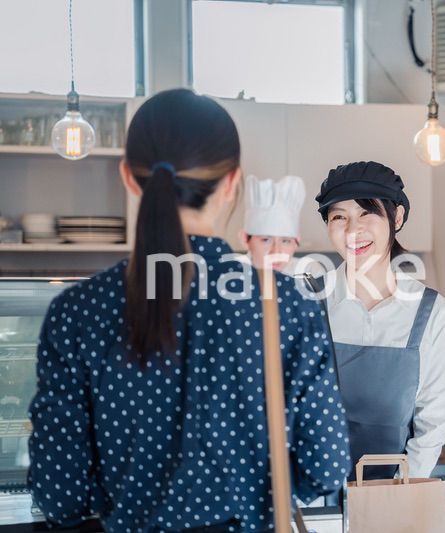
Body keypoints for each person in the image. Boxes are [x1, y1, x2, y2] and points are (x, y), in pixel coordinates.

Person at [27, 88, 350, 532]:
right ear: (233, 182)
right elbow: (327, 467)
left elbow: (58, 493)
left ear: (127, 176)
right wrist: (255, 494)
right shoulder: (287, 305)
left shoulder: (77, 311)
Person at [314, 160, 445, 480]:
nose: (353, 230)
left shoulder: (430, 311)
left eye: (367, 212)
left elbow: (432, 427)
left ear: (398, 216)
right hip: (313, 495)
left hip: (394, 491)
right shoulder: (308, 302)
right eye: (339, 216)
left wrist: (394, 494)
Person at [240, 174, 306, 274]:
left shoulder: (310, 274)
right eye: (266, 240)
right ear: (244, 239)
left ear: (297, 241)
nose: (276, 252)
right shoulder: (230, 276)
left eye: (285, 241)